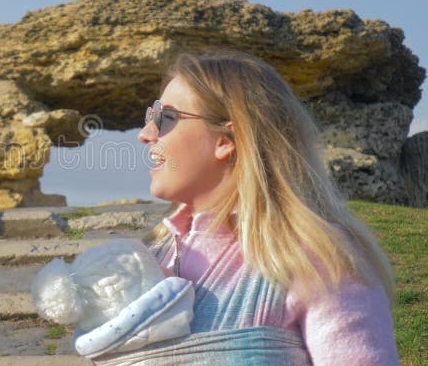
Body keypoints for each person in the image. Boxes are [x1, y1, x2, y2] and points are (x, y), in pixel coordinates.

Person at [92, 51, 398, 365]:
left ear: (226, 139)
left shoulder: (313, 257)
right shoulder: (154, 256)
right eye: (150, 116)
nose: (146, 134)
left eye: (166, 118)